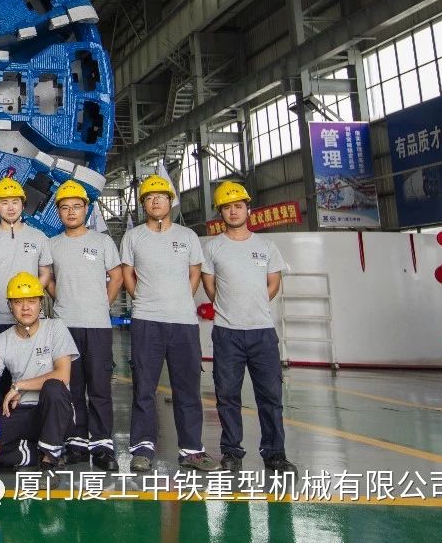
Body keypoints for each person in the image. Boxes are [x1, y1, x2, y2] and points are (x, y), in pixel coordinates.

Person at [121, 174, 218, 473]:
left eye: (161, 197)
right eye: (149, 198)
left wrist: (181, 299)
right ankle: (142, 448)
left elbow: (194, 273)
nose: (155, 201)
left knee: (187, 386)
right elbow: (127, 274)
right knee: (144, 387)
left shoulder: (187, 236)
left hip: (183, 322)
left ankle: (192, 450)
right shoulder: (133, 237)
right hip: (146, 321)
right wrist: (143, 299)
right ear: (143, 204)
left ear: (170, 201)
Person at [201, 181, 297, 476]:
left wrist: (253, 306)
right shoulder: (212, 247)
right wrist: (230, 309)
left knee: (271, 397)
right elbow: (210, 287)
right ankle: (232, 452)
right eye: (227, 207)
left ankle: (275, 455)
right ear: (220, 212)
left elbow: (273, 284)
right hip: (227, 333)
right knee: (227, 395)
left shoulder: (266, 247)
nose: (233, 211)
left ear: (248, 209)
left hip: (262, 332)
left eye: (238, 206)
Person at [47, 179, 122, 472]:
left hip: (98, 326)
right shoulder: (53, 245)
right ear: (58, 212)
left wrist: (103, 303)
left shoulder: (102, 242)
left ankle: (102, 445)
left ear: (86, 209)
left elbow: (116, 276)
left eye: (76, 206)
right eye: (65, 207)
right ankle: (76, 442)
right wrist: (63, 298)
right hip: (65, 326)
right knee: (72, 388)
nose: (71, 212)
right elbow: (48, 280)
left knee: (100, 387)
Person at [0, 272, 77, 470]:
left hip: (55, 411)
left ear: (40, 303)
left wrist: (19, 386)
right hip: (22, 410)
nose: (25, 307)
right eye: (18, 302)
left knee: (54, 387)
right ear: (10, 306)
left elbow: (63, 375)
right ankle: (42, 451)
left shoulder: (56, 328)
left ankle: (48, 461)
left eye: (31, 301)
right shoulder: (1, 342)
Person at [0, 177, 52, 337]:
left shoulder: (38, 237)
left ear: (23, 204)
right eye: (4, 202)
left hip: (31, 317)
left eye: (15, 202)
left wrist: (30, 296)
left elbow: (45, 274)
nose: (11, 207)